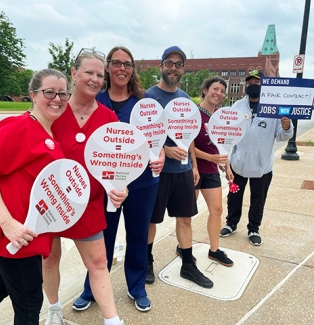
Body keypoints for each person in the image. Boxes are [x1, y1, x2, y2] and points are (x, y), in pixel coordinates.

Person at [72, 46, 165, 313]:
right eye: (116, 63)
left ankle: (136, 287)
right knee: (102, 237)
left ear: (133, 69)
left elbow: (158, 139)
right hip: (106, 183)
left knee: (137, 235)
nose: (122, 68)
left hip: (142, 182)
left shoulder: (145, 102)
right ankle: (92, 289)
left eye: (127, 64)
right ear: (108, 68)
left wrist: (160, 155)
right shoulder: (95, 99)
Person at [42, 49, 126, 325]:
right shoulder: (52, 110)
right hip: (51, 201)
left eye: (100, 75)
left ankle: (112, 320)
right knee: (50, 260)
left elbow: (118, 161)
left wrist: (119, 187)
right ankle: (54, 308)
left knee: (99, 264)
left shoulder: (108, 118)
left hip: (88, 204)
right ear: (73, 74)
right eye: (88, 72)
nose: (95, 79)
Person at [0, 69, 69, 325]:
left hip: (26, 238)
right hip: (11, 238)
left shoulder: (50, 136)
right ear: (33, 95)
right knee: (29, 303)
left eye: (62, 93)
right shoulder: (19, 127)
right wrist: (7, 223)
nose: (56, 98)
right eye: (49, 92)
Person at [146, 46, 213, 289]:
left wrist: (194, 165)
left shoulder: (185, 99)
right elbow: (141, 135)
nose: (173, 68)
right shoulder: (148, 97)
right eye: (169, 63)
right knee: (151, 221)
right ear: (161, 66)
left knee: (185, 219)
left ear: (183, 69)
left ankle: (187, 265)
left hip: (183, 171)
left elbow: (191, 135)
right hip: (157, 172)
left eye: (178, 64)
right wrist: (164, 148)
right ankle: (146, 261)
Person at [220, 69, 293, 246]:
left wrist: (286, 126)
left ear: (265, 85)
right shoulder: (238, 106)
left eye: (257, 82)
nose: (253, 85)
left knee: (258, 199)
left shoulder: (274, 108)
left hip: (262, 166)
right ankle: (231, 223)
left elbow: (282, 136)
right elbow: (229, 131)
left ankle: (253, 228)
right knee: (234, 196)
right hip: (238, 163)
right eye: (250, 82)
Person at [194, 76, 234, 268]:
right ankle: (183, 246)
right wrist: (211, 158)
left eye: (222, 91)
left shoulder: (221, 117)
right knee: (186, 213)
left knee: (217, 210)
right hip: (192, 170)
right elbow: (186, 146)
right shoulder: (193, 114)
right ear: (205, 90)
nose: (218, 93)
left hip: (210, 171)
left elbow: (222, 146)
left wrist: (227, 166)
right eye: (215, 89)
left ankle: (214, 250)